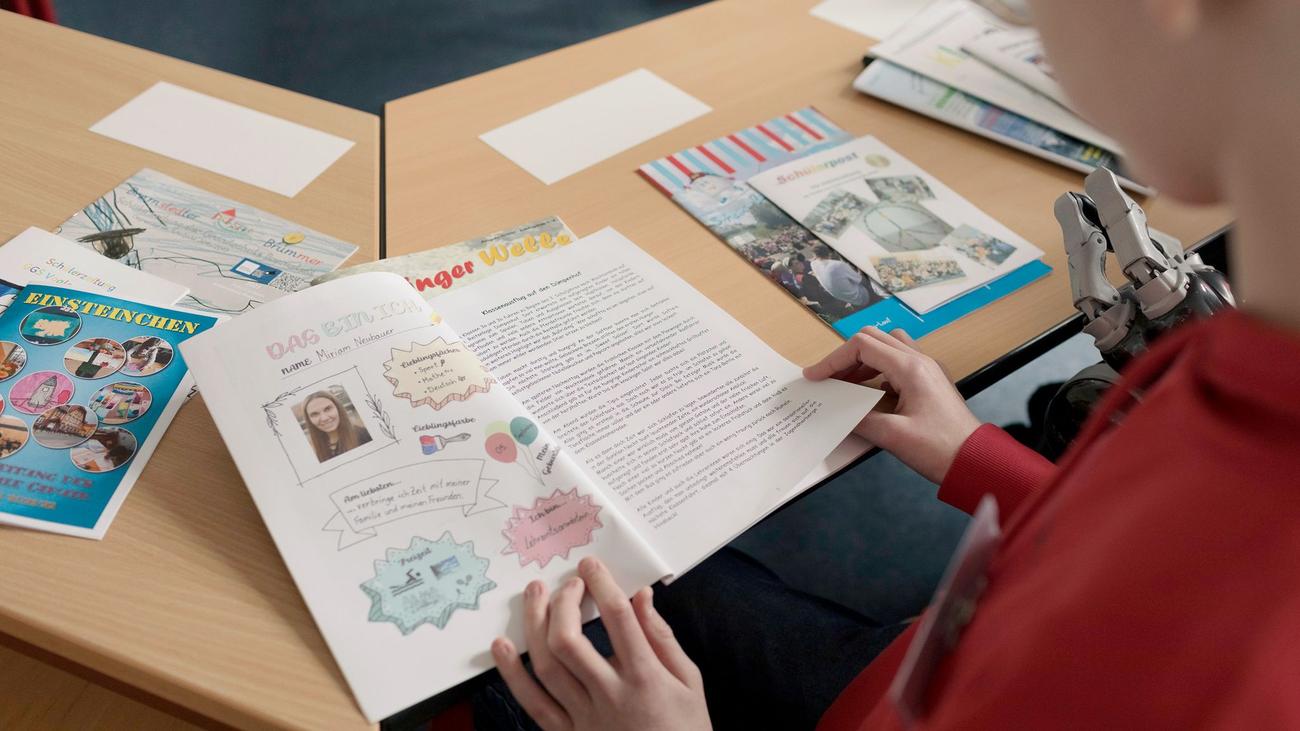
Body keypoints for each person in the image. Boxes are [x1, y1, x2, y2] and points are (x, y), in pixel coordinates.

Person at [482, 0, 1300, 728]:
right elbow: (1127, 559)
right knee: (613, 565)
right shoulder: (1238, 376)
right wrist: (974, 452)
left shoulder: (1240, 667)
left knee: (519, 620)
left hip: (909, 686)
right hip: (931, 656)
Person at [301, 390, 371, 462]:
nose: (324, 418)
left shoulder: (364, 435)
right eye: (315, 414)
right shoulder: (311, 452)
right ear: (309, 420)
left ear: (338, 408)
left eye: (328, 409)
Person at [808, 245, 876, 308]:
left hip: (847, 299)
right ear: (829, 253)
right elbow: (863, 281)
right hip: (863, 298)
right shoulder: (838, 265)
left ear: (815, 255)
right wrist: (860, 270)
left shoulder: (813, 264)